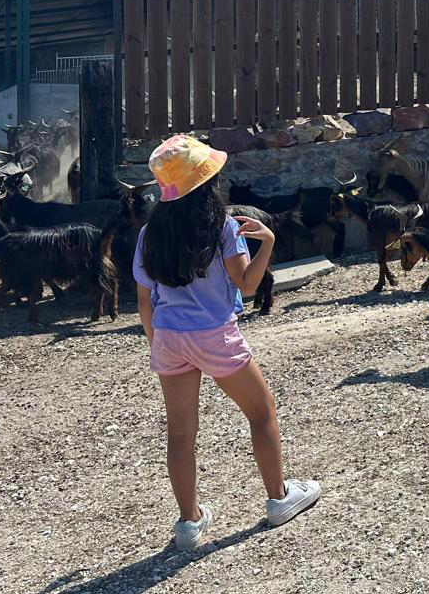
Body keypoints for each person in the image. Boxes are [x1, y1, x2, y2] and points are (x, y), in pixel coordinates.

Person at [133, 134, 320, 552]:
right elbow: (248, 285)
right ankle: (278, 498)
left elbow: (145, 299)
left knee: (181, 433)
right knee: (261, 411)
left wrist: (155, 342)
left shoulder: (149, 233)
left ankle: (188, 523)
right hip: (213, 332)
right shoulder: (221, 225)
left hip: (167, 335)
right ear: (206, 181)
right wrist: (267, 242)